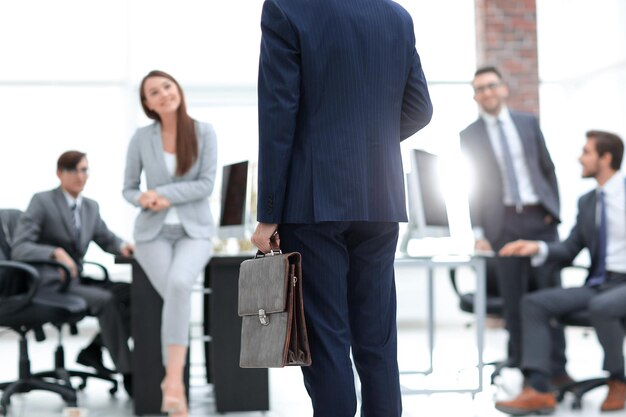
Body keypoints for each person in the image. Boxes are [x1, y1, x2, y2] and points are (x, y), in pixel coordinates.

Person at [251, 1, 432, 416]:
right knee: (378, 339)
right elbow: (420, 108)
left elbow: (280, 113)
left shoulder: (286, 8)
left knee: (327, 339)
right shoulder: (396, 15)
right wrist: (370, 145)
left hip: (315, 200)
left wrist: (269, 212)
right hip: (380, 196)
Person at [495, 130, 626, 415]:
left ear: (606, 158)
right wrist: (537, 248)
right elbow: (569, 249)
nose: (580, 158)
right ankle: (540, 388)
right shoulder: (588, 201)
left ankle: (619, 379)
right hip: (601, 283)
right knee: (534, 303)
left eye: (587, 152)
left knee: (601, 306)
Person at [460, 66, 566, 379]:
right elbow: (474, 186)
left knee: (551, 293)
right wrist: (479, 232)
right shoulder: (470, 135)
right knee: (514, 301)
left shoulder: (528, 123)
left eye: (491, 85)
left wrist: (553, 211)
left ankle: (558, 369)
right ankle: (523, 368)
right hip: (502, 224)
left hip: (539, 219)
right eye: (480, 89)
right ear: (475, 96)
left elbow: (548, 169)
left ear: (504, 88)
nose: (487, 92)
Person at [123, 70, 216, 417]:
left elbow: (206, 184)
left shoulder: (204, 132)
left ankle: (173, 381)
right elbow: (129, 187)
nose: (163, 93)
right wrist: (143, 198)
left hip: (195, 232)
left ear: (177, 89)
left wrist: (164, 194)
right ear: (147, 103)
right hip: (153, 234)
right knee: (177, 294)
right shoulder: (141, 138)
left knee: (179, 285)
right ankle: (175, 390)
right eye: (153, 92)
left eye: (167, 86)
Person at [11, 150, 134, 394]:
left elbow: (106, 238)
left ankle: (94, 350)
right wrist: (54, 252)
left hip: (75, 280)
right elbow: (20, 247)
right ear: (60, 173)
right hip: (49, 283)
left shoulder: (90, 207)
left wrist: (124, 246)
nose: (80, 176)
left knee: (133, 294)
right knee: (106, 300)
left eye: (84, 169)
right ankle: (128, 372)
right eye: (73, 170)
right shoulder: (42, 202)